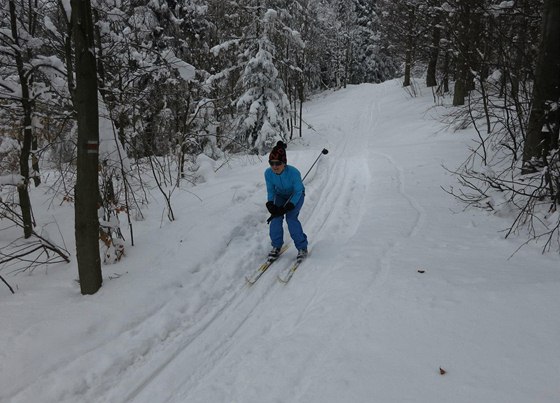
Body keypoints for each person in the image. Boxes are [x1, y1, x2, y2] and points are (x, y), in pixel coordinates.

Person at [264, 141, 308, 261]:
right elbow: (271, 190)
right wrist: (270, 203)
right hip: (281, 195)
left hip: (296, 196)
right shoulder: (268, 173)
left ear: (284, 163)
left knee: (291, 218)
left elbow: (298, 191)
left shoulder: (293, 173)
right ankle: (276, 246)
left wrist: (290, 205)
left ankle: (302, 247)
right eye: (271, 163)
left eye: (278, 163)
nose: (274, 166)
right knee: (276, 217)